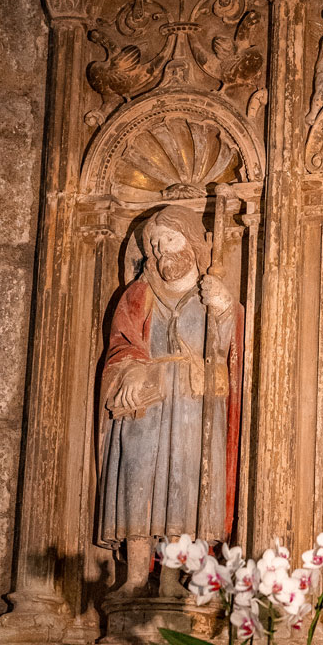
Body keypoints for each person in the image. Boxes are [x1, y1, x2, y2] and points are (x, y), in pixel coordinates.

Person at [98, 203, 242, 595]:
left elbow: (233, 349)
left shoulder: (211, 293)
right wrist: (132, 369)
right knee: (138, 482)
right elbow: (122, 345)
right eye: (155, 245)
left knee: (185, 487)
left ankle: (173, 581)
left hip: (196, 405)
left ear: (192, 242)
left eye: (170, 241)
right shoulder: (138, 294)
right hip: (147, 403)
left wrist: (227, 309)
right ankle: (135, 578)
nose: (162, 252)